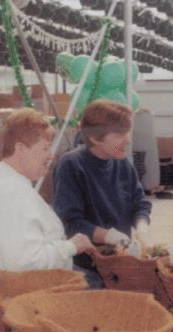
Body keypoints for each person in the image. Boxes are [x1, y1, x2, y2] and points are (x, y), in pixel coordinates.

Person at [0, 108, 95, 275]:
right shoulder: (13, 192)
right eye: (45, 148)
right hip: (12, 296)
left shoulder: (3, 176)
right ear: (19, 148)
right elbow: (25, 262)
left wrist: (58, 241)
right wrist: (70, 247)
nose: (51, 156)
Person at [52, 99, 153, 289]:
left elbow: (139, 204)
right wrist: (108, 236)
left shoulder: (123, 165)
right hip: (85, 269)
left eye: (127, 132)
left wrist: (142, 226)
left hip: (120, 263)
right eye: (119, 134)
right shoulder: (71, 165)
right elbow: (69, 223)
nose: (127, 139)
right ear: (95, 138)